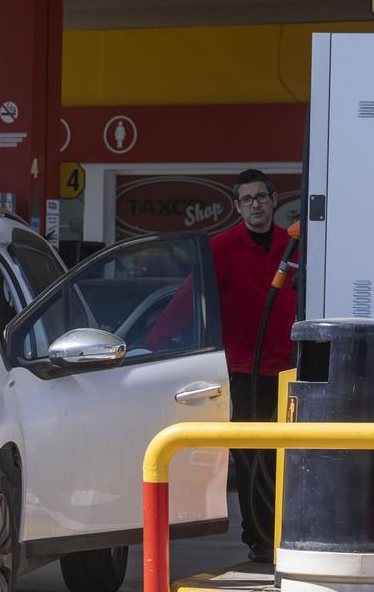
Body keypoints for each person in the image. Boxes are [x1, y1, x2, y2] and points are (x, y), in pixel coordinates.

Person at [142, 169, 297, 563]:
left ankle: (286, 535)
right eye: (247, 199)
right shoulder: (222, 247)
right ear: (237, 206)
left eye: (261, 197)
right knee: (251, 460)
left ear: (274, 199)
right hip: (244, 372)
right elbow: (188, 299)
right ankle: (260, 539)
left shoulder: (295, 245)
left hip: (292, 371)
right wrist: (153, 346)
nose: (255, 205)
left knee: (288, 458)